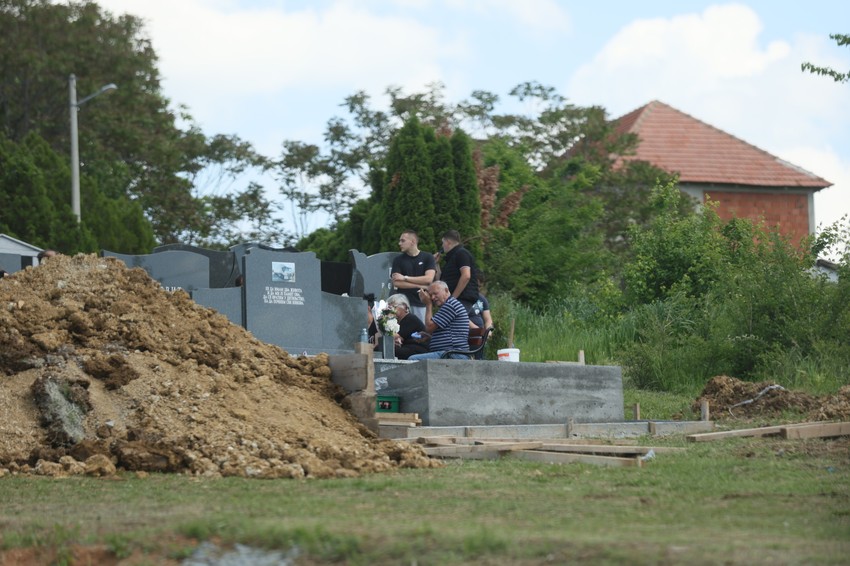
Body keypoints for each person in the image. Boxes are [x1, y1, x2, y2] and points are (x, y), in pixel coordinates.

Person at [409, 281, 470, 360]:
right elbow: (449, 333)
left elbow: (429, 327)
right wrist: (429, 337)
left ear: (446, 290)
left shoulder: (450, 305)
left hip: (452, 354)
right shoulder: (448, 305)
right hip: (449, 353)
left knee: (413, 359)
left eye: (435, 293)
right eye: (430, 295)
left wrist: (428, 304)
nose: (432, 298)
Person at [389, 230, 436, 322]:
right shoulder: (398, 260)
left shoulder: (428, 257)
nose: (399, 243)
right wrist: (420, 285)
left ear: (413, 242)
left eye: (403, 241)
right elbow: (397, 283)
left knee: (422, 332)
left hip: (421, 303)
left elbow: (429, 279)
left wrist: (405, 278)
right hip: (403, 304)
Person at [436, 230, 479, 310]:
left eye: (443, 242)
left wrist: (452, 299)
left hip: (462, 299)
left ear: (448, 242)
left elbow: (466, 276)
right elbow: (440, 281)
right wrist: (436, 264)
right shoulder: (451, 258)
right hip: (455, 300)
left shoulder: (461, 253)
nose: (442, 246)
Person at [382, 294, 429, 360]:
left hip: (417, 349)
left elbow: (394, 336)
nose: (391, 311)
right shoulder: (399, 321)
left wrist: (382, 322)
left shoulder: (410, 318)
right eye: (389, 308)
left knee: (385, 349)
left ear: (405, 307)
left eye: (394, 307)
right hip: (407, 347)